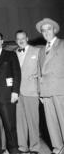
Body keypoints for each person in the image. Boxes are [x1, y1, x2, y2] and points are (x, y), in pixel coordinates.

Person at [36, 18, 64, 154]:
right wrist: (40, 92)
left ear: (54, 30)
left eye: (49, 29)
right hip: (46, 92)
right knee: (51, 124)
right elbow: (40, 73)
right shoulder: (41, 51)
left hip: (60, 90)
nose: (46, 32)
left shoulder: (63, 44)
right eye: (43, 30)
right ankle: (58, 149)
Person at [14, 30, 40, 154]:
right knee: (20, 121)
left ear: (27, 38)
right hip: (17, 92)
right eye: (18, 39)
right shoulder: (14, 54)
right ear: (16, 41)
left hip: (32, 91)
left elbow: (42, 70)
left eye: (23, 38)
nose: (21, 40)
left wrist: (38, 80)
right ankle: (22, 146)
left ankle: (34, 147)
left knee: (33, 120)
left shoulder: (37, 51)